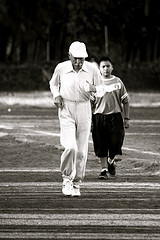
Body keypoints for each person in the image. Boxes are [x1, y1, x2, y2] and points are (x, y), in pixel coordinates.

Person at [49, 41, 102, 197]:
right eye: (75, 59)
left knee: (81, 151)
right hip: (66, 108)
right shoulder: (61, 68)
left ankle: (77, 183)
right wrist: (56, 95)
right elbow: (53, 84)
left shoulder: (92, 69)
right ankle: (66, 178)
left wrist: (95, 91)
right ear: (69, 56)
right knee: (70, 146)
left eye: (82, 59)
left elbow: (101, 89)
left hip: (85, 108)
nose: (78, 63)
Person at [91, 56, 130, 180]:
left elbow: (126, 101)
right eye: (103, 66)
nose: (106, 69)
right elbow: (90, 104)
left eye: (108, 66)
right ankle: (103, 170)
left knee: (116, 142)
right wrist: (90, 121)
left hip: (115, 117)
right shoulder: (95, 84)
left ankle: (111, 160)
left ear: (112, 68)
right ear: (99, 69)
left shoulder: (118, 82)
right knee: (101, 143)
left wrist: (126, 118)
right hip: (99, 117)